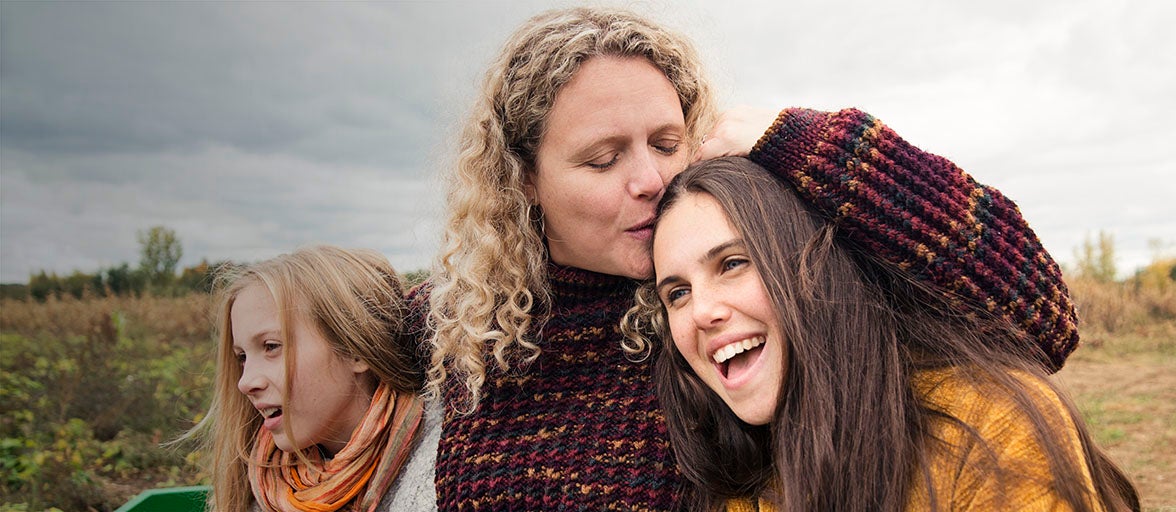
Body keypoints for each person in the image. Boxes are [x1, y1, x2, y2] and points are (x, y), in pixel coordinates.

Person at [414, 6, 1081, 510]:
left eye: (667, 143)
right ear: (522, 179)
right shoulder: (464, 326)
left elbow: (1041, 318)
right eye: (603, 158)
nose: (650, 179)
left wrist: (811, 145)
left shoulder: (763, 286)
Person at [626, 155, 1138, 511]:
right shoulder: (732, 479)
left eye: (733, 263)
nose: (702, 312)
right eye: (678, 293)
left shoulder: (986, 426)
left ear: (815, 266)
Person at [187, 246, 435, 511]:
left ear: (356, 351)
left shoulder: (445, 470)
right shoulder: (259, 491)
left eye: (271, 346)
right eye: (242, 357)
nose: (245, 382)